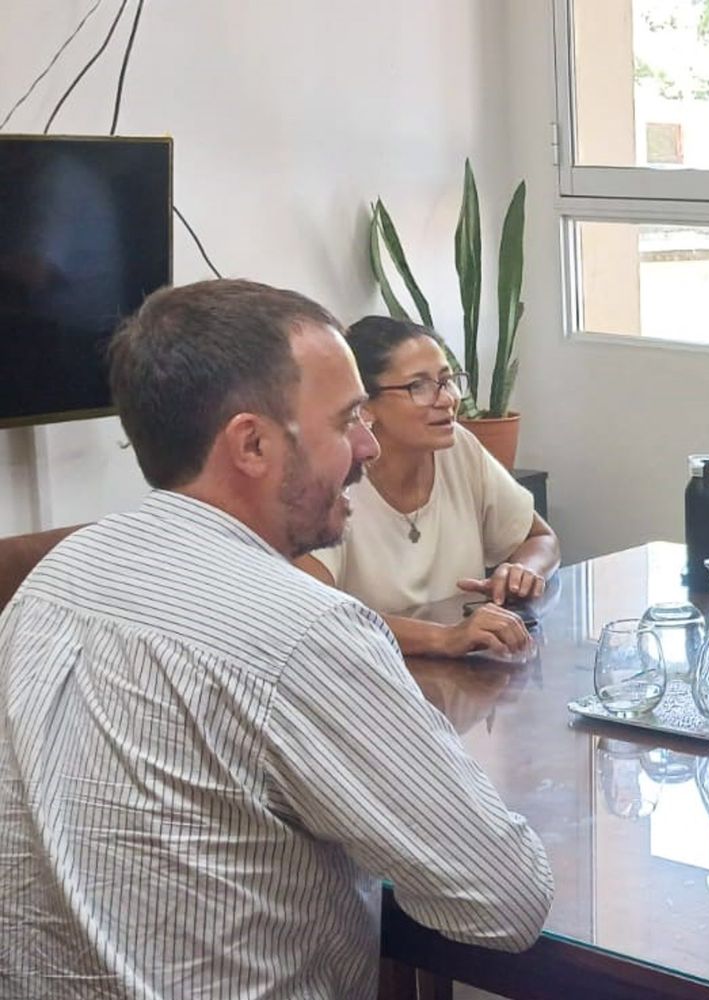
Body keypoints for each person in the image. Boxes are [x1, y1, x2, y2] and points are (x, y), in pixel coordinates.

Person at [0, 280, 554, 997]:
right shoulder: (305, 631)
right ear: (253, 444)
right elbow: (505, 900)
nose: (365, 445)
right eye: (349, 419)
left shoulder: (49, 585)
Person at [296, 315, 559, 657]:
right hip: (370, 677)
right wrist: (444, 638)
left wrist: (523, 571)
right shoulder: (334, 475)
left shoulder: (458, 447)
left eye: (447, 381)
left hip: (466, 674)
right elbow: (317, 613)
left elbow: (540, 539)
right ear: (365, 405)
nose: (447, 399)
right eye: (418, 386)